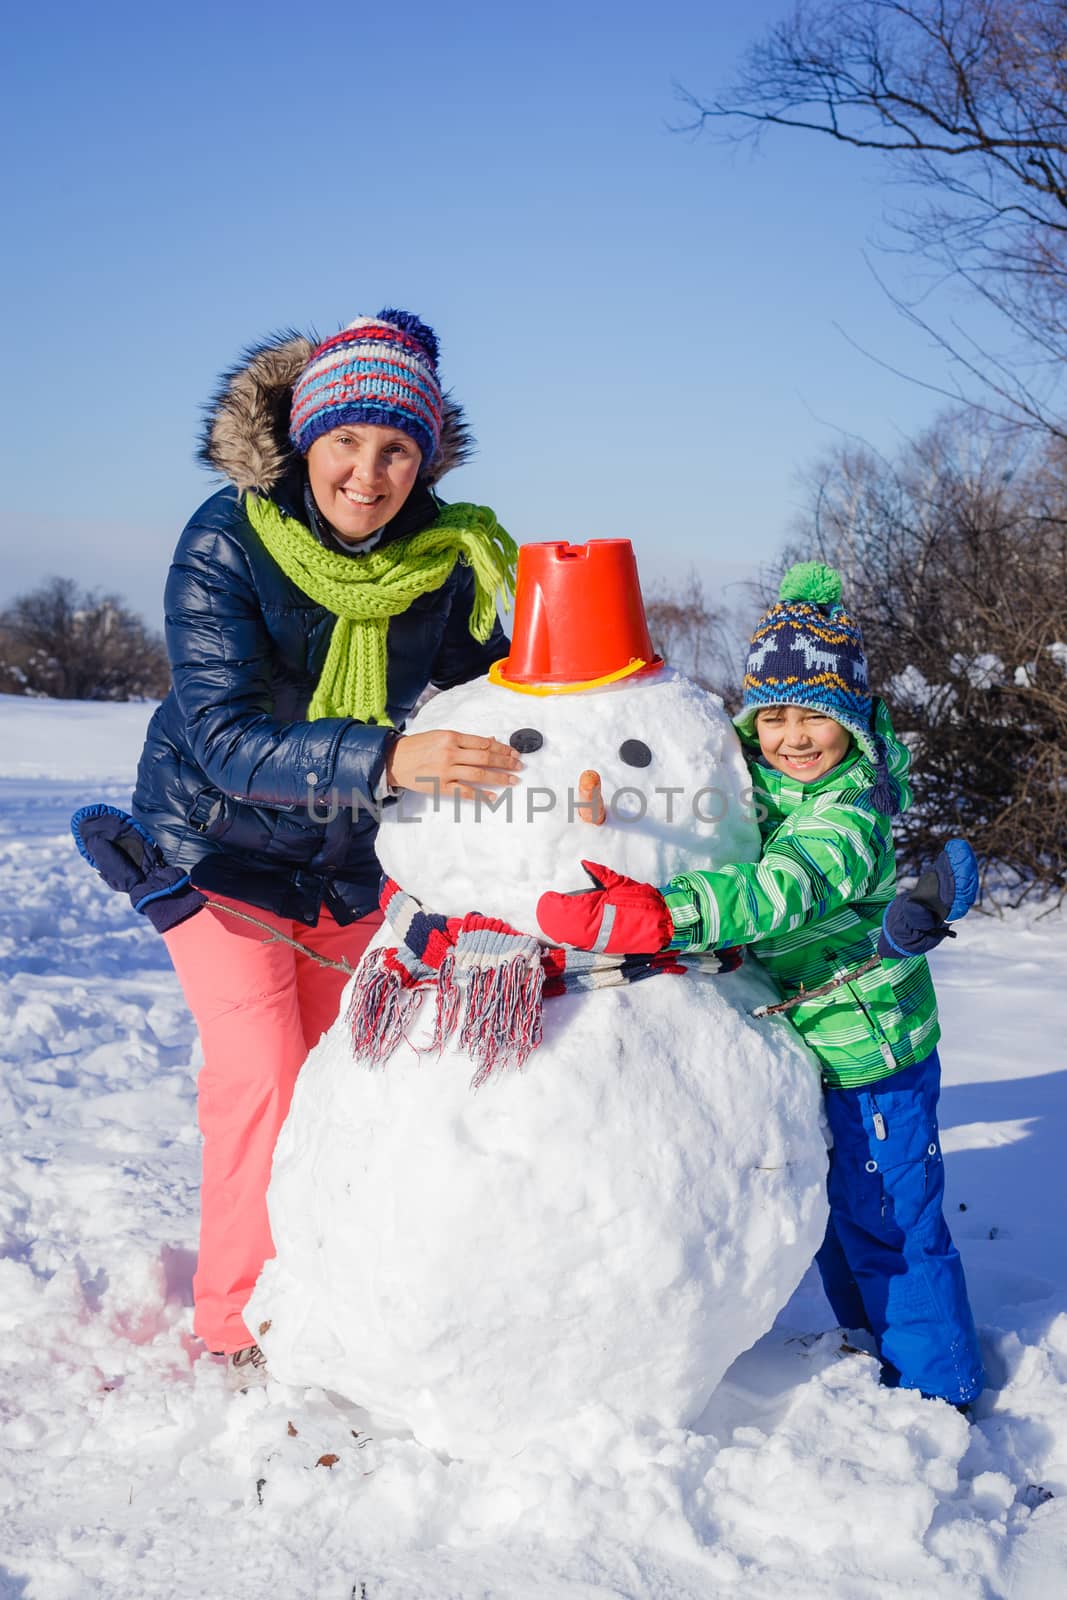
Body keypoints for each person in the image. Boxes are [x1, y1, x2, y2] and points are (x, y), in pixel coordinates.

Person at [128, 310, 521, 1382]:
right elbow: (220, 738)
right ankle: (235, 1323)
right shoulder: (227, 539)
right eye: (346, 439)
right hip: (216, 847)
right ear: (304, 439)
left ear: (424, 458)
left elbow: (503, 681)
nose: (368, 470)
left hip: (343, 866)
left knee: (338, 1082)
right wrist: (393, 760)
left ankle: (328, 1286)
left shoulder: (444, 559)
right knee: (260, 1075)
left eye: (397, 447)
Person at [536, 561, 984, 1412]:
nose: (791, 735)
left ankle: (937, 1389)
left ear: (850, 721)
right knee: (838, 1213)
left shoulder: (843, 816)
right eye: (772, 716)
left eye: (813, 714)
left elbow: (776, 891)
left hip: (870, 1048)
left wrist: (663, 916)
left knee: (893, 1223)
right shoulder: (762, 788)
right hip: (808, 1045)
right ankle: (870, 1341)